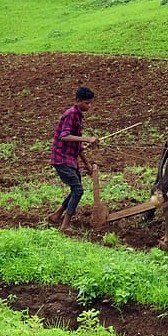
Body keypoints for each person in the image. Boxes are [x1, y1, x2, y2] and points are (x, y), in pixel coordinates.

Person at [47, 85, 99, 233]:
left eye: (90, 103)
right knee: (78, 190)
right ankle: (65, 226)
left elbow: (78, 145)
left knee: (76, 189)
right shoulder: (71, 114)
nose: (89, 106)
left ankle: (56, 215)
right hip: (61, 158)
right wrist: (87, 138)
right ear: (77, 101)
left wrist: (87, 164)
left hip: (70, 158)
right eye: (86, 103)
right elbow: (64, 136)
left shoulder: (78, 115)